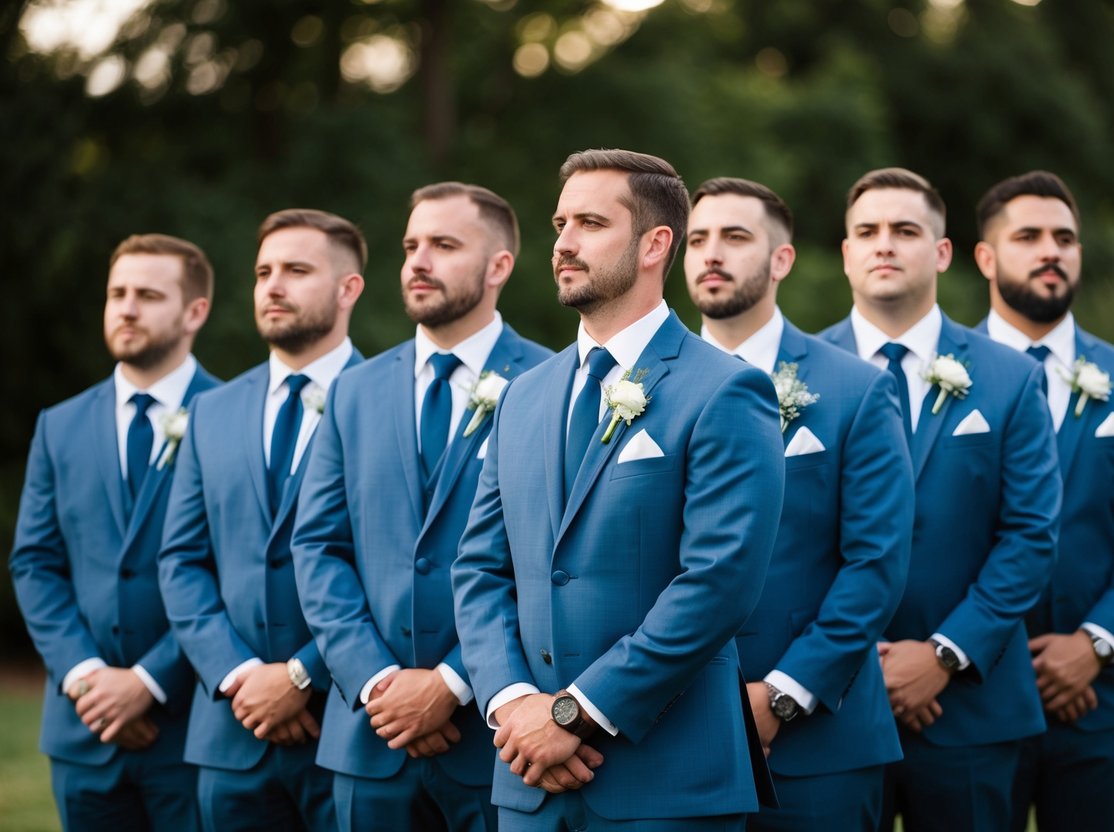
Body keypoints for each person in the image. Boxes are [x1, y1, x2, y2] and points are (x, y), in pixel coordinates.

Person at [451, 149, 785, 831]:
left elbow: (718, 582)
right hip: (529, 785)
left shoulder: (725, 389)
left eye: (591, 224)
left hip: (665, 783)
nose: (565, 244)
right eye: (560, 223)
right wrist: (513, 702)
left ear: (655, 243)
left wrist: (578, 712)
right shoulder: (521, 396)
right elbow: (480, 568)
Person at [291, 182, 552, 832]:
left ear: (498, 266)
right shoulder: (353, 392)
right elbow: (318, 548)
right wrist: (377, 681)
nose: (418, 261)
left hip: (497, 740)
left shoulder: (549, 384)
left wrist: (451, 684)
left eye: (443, 244)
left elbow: (551, 558)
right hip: (368, 739)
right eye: (411, 245)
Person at [819, 167, 1061, 831]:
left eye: (904, 230)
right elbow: (787, 540)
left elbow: (1030, 534)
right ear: (845, 254)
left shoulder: (1010, 378)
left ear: (942, 251)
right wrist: (858, 658)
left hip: (971, 709)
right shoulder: (798, 377)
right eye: (866, 232)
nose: (883, 245)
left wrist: (943, 655)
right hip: (832, 703)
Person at [684, 176, 913, 831]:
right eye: (697, 239)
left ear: (780, 259)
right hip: (666, 738)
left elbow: (876, 563)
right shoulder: (641, 387)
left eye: (734, 237)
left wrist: (782, 694)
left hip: (818, 745)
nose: (711, 254)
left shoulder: (856, 389)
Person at [971, 170, 1114, 832]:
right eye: (1028, 236)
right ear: (985, 256)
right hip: (973, 694)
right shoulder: (936, 378)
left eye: (1064, 238)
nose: (1050, 251)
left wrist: (1094, 645)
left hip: (1105, 698)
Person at [157, 209, 366, 830]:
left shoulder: (386, 402)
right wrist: (240, 675)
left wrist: (306, 674)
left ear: (348, 289)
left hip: (348, 728)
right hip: (230, 730)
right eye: (263, 272)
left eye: (297, 271)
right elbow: (181, 560)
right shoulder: (211, 411)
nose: (273, 286)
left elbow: (397, 569)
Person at [10, 233, 218, 831]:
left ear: (194, 311)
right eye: (117, 293)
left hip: (192, 729)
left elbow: (238, 573)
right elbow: (34, 563)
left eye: (148, 295)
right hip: (83, 731)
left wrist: (150, 681)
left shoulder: (231, 415)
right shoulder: (60, 425)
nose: (126, 308)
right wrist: (87, 679)